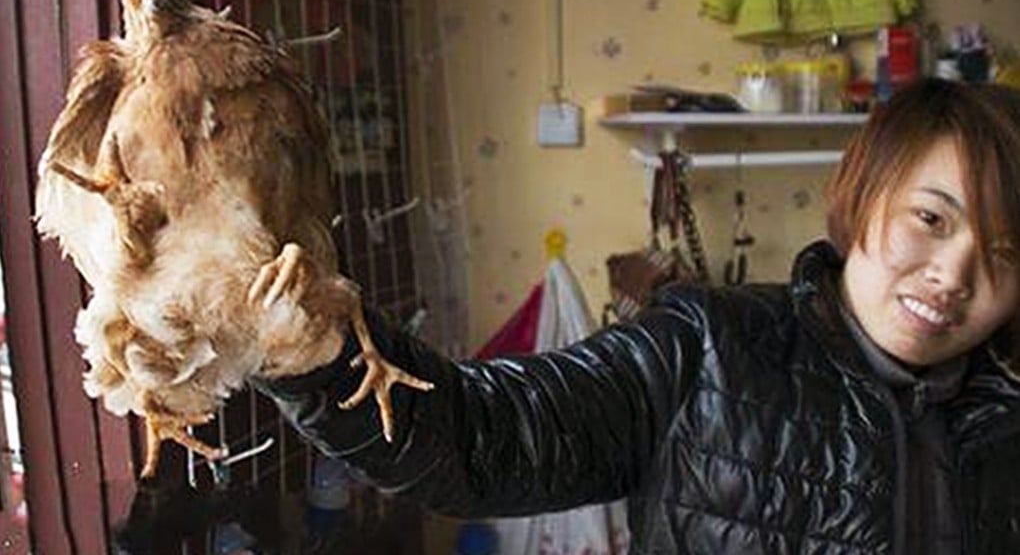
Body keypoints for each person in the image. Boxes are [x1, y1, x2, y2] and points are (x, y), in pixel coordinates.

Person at [255, 78, 1020, 554]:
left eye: (1005, 252)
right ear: (865, 193)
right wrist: (312, 343)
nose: (955, 274)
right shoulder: (710, 346)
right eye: (931, 219)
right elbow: (484, 435)